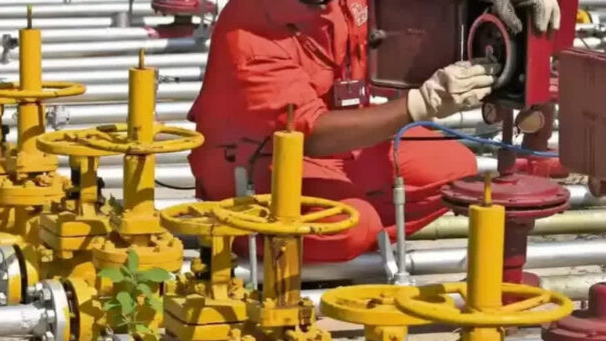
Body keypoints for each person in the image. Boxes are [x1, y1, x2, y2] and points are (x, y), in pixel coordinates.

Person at [187, 0, 560, 262]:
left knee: (456, 170)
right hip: (258, 167)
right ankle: (250, 239)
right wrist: (420, 105)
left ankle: (345, 237)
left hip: (341, 143)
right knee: (353, 225)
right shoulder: (251, 31)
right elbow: (310, 133)